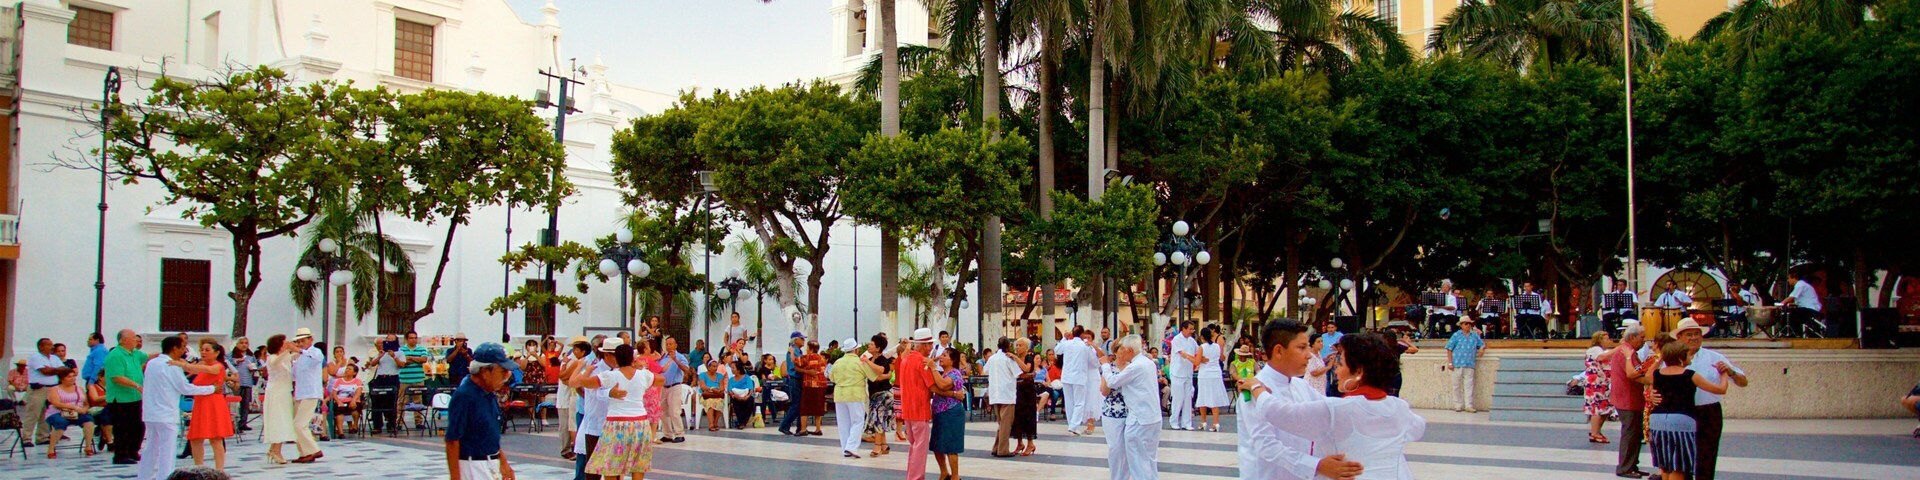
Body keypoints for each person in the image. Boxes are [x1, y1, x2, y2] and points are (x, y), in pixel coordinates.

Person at [1248, 332, 1425, 480]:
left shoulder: (1337, 409)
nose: (1337, 370)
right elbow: (1418, 429)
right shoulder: (1399, 407)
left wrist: (1257, 387)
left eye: (1341, 364)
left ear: (1358, 372)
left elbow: (1278, 413)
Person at [1235, 319, 1363, 480]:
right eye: (1302, 348)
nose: (1308, 355)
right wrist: (1317, 466)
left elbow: (1331, 413)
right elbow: (1266, 446)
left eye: (1308, 347)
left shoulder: (1301, 386)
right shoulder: (1252, 391)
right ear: (1279, 351)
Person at [571, 343, 662, 480]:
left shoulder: (610, 376)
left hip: (616, 424)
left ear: (617, 359)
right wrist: (641, 368)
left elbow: (584, 382)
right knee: (638, 465)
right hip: (640, 423)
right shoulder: (643, 375)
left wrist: (586, 370)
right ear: (633, 358)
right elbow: (661, 379)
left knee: (611, 465)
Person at [1649, 335, 1731, 480]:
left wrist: (1662, 358)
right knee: (1678, 465)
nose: (1690, 357)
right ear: (1681, 358)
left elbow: (1648, 375)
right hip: (1681, 420)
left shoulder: (1657, 374)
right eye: (1687, 355)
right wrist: (1724, 374)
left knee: (1665, 465)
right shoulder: (1690, 375)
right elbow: (1720, 389)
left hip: (1658, 421)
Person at [138, 335, 219, 480]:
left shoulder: (152, 363)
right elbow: (185, 388)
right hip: (166, 413)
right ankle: (165, 477)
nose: (184, 350)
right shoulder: (172, 365)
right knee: (167, 451)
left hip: (151, 412)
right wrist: (211, 389)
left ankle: (144, 476)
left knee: (150, 448)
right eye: (182, 347)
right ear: (175, 348)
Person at [1675, 318, 1745, 480]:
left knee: (1707, 455)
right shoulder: (1672, 358)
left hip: (1709, 411)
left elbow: (1743, 381)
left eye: (1697, 334)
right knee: (1682, 456)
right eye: (1689, 334)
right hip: (1683, 413)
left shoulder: (1714, 357)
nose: (1693, 338)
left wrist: (1731, 372)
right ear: (1679, 338)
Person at [444, 342, 519, 480]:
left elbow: (490, 435)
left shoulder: (489, 394)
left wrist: (503, 463)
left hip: (491, 464)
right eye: (503, 371)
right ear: (485, 372)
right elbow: (452, 440)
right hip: (473, 466)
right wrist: (455, 477)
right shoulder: (465, 395)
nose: (507, 376)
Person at [1099, 334, 1161, 480]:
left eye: (1124, 349)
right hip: (1151, 417)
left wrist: (1105, 366)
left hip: (1139, 418)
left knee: (1138, 461)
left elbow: (1113, 382)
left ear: (1129, 350)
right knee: (1149, 458)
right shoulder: (1148, 363)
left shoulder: (1135, 366)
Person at [1600, 325, 1651, 478]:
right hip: (1627, 398)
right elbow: (1633, 374)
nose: (1644, 340)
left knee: (1635, 434)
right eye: (1642, 337)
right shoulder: (1626, 353)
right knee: (1630, 433)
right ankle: (1625, 467)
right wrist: (1651, 379)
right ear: (1633, 337)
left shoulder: (1628, 351)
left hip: (1630, 397)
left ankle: (1632, 465)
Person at [573, 338, 619, 480]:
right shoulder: (594, 370)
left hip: (614, 426)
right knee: (593, 470)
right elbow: (591, 390)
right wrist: (610, 393)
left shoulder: (619, 371)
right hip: (596, 425)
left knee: (614, 469)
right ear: (607, 355)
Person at [184, 340, 233, 470]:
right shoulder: (200, 365)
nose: (203, 352)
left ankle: (219, 470)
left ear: (216, 353)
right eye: (202, 350)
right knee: (195, 438)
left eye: (207, 350)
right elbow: (191, 372)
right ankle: (199, 468)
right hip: (200, 403)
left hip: (213, 404)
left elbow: (207, 369)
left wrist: (184, 365)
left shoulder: (218, 366)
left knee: (215, 438)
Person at [830, 337, 881, 458]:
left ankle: (845, 449)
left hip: (839, 394)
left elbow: (831, 378)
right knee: (858, 421)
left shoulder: (838, 362)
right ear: (856, 350)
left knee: (843, 423)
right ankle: (851, 447)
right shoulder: (860, 362)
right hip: (855, 394)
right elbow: (873, 376)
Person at [104, 329, 148, 465]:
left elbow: (148, 357)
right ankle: (120, 455)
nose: (137, 340)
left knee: (138, 426)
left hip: (135, 398)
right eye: (134, 337)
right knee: (123, 428)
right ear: (123, 340)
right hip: (121, 399)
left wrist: (166, 354)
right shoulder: (116, 355)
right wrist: (136, 385)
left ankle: (133, 451)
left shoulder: (135, 354)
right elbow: (117, 377)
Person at [899, 328, 937, 480]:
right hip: (919, 409)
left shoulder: (905, 359)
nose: (931, 348)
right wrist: (952, 393)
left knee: (914, 446)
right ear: (925, 345)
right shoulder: (923, 362)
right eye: (929, 344)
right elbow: (932, 385)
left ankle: (912, 476)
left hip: (907, 409)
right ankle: (916, 477)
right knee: (920, 447)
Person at [24, 337, 73, 448]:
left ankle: (43, 437)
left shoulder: (54, 358)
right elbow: (44, 371)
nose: (52, 347)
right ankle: (26, 438)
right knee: (33, 413)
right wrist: (55, 370)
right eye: (49, 345)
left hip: (52, 389)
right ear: (41, 346)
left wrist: (53, 369)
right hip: (39, 389)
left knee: (46, 413)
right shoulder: (35, 357)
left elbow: (64, 370)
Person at [288, 329, 326, 463]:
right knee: (295, 425)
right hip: (300, 393)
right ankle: (305, 452)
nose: (300, 343)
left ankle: (314, 450)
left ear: (311, 340)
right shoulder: (299, 357)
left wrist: (299, 351)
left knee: (299, 424)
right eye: (298, 341)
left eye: (303, 340)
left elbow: (318, 359)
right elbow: (293, 375)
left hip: (310, 393)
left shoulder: (315, 351)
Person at [929, 348, 968, 480]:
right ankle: (944, 472)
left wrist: (933, 368)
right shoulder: (942, 373)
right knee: (937, 445)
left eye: (945, 355)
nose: (941, 357)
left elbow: (942, 385)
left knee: (951, 446)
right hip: (939, 412)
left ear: (953, 360)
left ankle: (955, 476)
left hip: (952, 412)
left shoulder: (955, 373)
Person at [43, 370, 97, 458]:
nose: (72, 379)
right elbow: (56, 403)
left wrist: (84, 409)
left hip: (78, 412)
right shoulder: (54, 389)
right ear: (62, 379)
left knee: (89, 421)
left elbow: (86, 403)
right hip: (59, 412)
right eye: (69, 377)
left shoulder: (79, 389)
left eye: (73, 376)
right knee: (60, 423)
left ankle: (88, 446)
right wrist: (74, 407)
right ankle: (51, 448)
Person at [259, 334, 296, 464]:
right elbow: (275, 362)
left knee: (284, 419)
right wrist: (287, 350)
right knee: (278, 420)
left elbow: (296, 355)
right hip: (275, 392)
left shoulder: (285, 358)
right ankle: (276, 450)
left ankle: (274, 449)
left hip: (284, 391)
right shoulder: (272, 358)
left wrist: (297, 349)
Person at [1058, 325, 1099, 436]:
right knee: (1079, 402)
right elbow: (1094, 362)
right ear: (1081, 334)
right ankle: (1073, 426)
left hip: (1066, 376)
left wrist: (1064, 338)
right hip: (1079, 377)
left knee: (1069, 402)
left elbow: (1057, 350)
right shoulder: (1085, 346)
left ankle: (1071, 424)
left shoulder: (1066, 343)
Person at [984, 337, 1021, 457]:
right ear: (1008, 346)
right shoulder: (1009, 359)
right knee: (1006, 424)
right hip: (1007, 394)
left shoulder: (992, 358)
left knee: (1002, 423)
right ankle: (1003, 450)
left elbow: (985, 371)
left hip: (995, 394)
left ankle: (996, 447)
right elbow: (1018, 373)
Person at [862, 334, 896, 457]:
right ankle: (884, 445)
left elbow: (881, 371)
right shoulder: (871, 359)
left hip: (883, 394)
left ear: (878, 348)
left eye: (872, 344)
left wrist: (868, 363)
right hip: (874, 394)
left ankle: (877, 446)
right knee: (879, 419)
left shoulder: (883, 359)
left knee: (877, 419)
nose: (869, 346)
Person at [1443, 318, 1485, 413]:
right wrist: (1450, 362)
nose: (1468, 325)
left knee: (1469, 385)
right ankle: (1457, 405)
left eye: (1469, 324)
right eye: (1466, 324)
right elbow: (1449, 348)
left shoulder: (1474, 335)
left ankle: (1468, 405)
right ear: (1461, 325)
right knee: (1456, 385)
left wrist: (1481, 349)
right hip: (1457, 363)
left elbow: (1481, 344)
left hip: (1469, 363)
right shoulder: (1456, 335)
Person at [1584, 331, 1618, 444]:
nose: (1609, 341)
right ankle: (1594, 432)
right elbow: (1601, 357)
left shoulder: (1605, 351)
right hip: (1595, 384)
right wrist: (1619, 348)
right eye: (1606, 339)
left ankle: (1598, 430)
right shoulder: (1595, 350)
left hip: (1604, 383)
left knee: (1605, 408)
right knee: (1596, 408)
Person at [1196, 327, 1230, 432]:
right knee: (1214, 398)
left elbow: (1197, 362)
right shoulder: (1217, 346)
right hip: (1216, 373)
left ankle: (1203, 421)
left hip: (1205, 374)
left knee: (1203, 397)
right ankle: (1216, 423)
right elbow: (1222, 358)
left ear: (1202, 337)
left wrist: (1188, 356)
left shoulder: (1201, 347)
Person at [657, 336, 690, 443]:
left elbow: (686, 370)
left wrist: (675, 359)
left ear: (676, 345)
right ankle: (667, 434)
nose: (669, 346)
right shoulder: (663, 357)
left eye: (671, 344)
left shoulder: (680, 357)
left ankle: (679, 433)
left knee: (674, 411)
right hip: (663, 387)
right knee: (663, 411)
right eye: (667, 344)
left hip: (674, 386)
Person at [368, 334, 403, 435]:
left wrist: (394, 356)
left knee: (391, 402)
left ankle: (391, 424)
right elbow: (373, 363)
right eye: (388, 339)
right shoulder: (381, 352)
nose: (389, 341)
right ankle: (377, 425)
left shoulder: (400, 352)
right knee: (376, 402)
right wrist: (380, 355)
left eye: (392, 340)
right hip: (380, 377)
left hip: (392, 377)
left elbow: (401, 365)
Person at [398, 332, 432, 429]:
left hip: (418, 379)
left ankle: (418, 422)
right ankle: (399, 422)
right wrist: (414, 359)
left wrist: (411, 358)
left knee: (418, 400)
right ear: (407, 339)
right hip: (404, 379)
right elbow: (402, 362)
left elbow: (424, 359)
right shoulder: (401, 350)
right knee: (401, 401)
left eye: (415, 338)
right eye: (411, 338)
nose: (413, 340)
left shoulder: (421, 349)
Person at [799, 341, 828, 435]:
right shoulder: (822, 358)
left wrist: (791, 352)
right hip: (821, 385)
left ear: (811, 349)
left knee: (805, 407)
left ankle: (803, 429)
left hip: (810, 385)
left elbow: (796, 362)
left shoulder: (808, 357)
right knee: (818, 407)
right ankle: (818, 429)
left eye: (807, 348)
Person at [228, 344, 259, 433]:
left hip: (247, 382)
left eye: (246, 343)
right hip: (236, 383)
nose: (244, 345)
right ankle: (234, 424)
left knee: (245, 404)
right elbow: (228, 363)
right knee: (235, 404)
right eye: (241, 343)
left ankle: (243, 423)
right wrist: (236, 361)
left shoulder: (250, 355)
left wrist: (253, 368)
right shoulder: (231, 355)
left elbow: (255, 365)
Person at [1783, 271, 1824, 337]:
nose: (1788, 280)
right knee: (1794, 313)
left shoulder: (1800, 285)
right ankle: (1796, 333)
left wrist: (1780, 304)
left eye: (1789, 278)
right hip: (1809, 308)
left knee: (1791, 314)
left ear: (1794, 278)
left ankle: (1793, 334)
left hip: (1811, 309)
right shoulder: (1802, 285)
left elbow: (1791, 297)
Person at [330, 364, 365, 435]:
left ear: (354, 373)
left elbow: (358, 392)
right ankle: (340, 432)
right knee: (339, 411)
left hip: (353, 401)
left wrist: (353, 400)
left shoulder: (357, 381)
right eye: (346, 369)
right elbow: (334, 393)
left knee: (355, 407)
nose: (347, 370)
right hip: (341, 401)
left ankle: (355, 426)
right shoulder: (338, 381)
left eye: (349, 369)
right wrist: (338, 401)